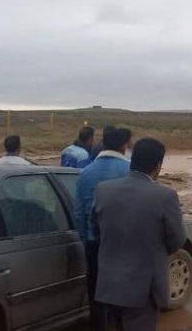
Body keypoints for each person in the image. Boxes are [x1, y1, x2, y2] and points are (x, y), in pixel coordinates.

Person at [91, 138, 186, 331]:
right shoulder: (165, 197)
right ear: (158, 165)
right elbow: (177, 240)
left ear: (132, 159)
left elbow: (96, 230)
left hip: (109, 287)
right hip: (142, 292)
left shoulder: (103, 190)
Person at [75, 126, 133, 331]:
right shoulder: (129, 170)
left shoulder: (85, 173)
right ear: (123, 146)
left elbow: (79, 213)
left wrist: (86, 241)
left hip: (93, 244)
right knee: (123, 299)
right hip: (122, 246)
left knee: (96, 297)